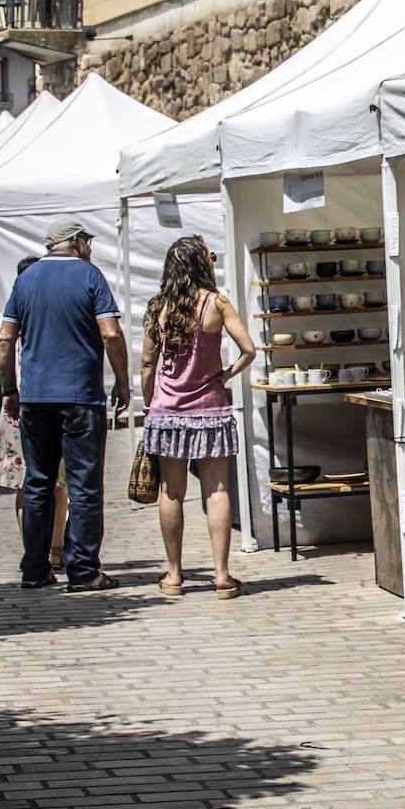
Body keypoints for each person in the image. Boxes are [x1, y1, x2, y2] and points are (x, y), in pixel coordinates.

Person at [0, 219, 129, 591]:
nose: (90, 247)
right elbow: (110, 332)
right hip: (81, 397)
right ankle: (83, 572)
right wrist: (122, 381)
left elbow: (4, 339)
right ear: (74, 241)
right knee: (83, 485)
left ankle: (34, 570)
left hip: (35, 398)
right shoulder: (90, 276)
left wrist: (9, 390)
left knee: (37, 483)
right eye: (87, 240)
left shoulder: (26, 279)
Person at [141, 236, 254, 598]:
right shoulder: (216, 303)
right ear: (201, 265)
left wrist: (151, 402)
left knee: (172, 491)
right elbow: (248, 349)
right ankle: (222, 576)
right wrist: (225, 375)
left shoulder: (158, 307)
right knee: (216, 491)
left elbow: (147, 363)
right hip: (210, 410)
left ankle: (174, 575)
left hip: (167, 412)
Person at [0, 256, 69, 570]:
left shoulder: (7, 320)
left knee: (30, 484)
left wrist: (7, 392)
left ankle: (42, 552)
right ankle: (49, 550)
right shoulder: (41, 319)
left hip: (16, 409)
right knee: (51, 484)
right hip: (36, 407)